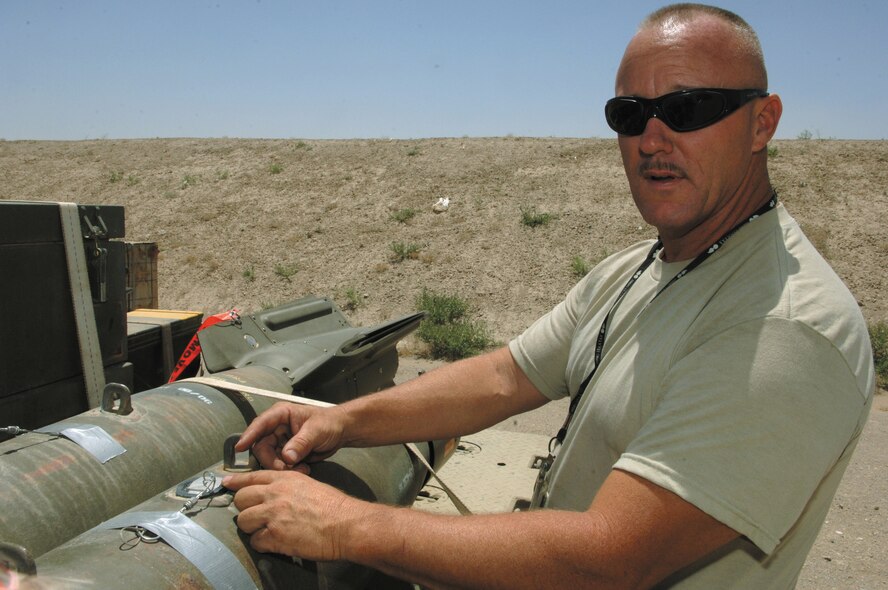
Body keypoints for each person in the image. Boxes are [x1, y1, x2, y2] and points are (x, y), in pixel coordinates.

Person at [223, 4, 875, 588]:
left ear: (763, 122)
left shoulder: (785, 327)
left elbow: (613, 557)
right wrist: (342, 420)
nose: (651, 139)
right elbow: (508, 376)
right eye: (630, 115)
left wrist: (346, 526)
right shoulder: (646, 266)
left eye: (688, 109)